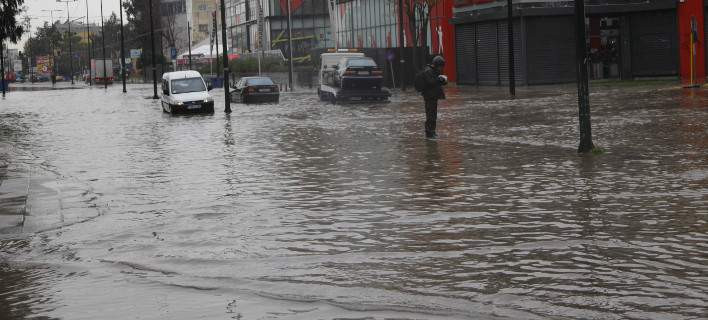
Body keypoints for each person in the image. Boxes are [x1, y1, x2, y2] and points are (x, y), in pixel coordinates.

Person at [418, 55, 448, 139]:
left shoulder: (433, 71)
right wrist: (440, 79)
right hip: (429, 97)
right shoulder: (428, 71)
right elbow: (431, 82)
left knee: (433, 115)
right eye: (440, 66)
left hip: (433, 97)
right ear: (436, 64)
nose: (441, 69)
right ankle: (429, 133)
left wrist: (443, 81)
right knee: (430, 115)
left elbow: (436, 83)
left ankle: (432, 131)